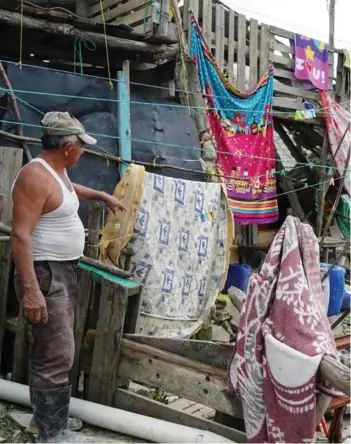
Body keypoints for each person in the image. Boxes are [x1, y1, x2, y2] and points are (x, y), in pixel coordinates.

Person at [11, 112, 126, 443]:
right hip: (46, 273)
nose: (83, 152)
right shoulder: (34, 177)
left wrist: (101, 196)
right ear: (67, 147)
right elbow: (20, 236)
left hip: (61, 270)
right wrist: (32, 291)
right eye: (81, 147)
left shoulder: (54, 172)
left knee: (53, 348)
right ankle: (52, 433)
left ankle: (46, 419)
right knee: (57, 354)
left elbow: (67, 191)